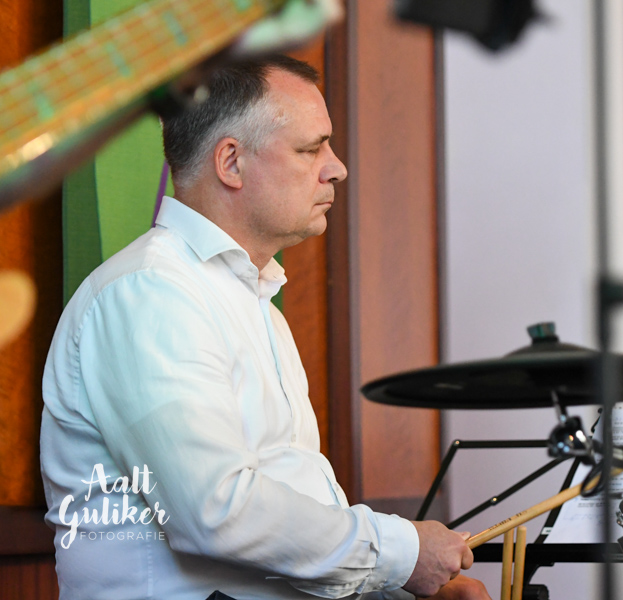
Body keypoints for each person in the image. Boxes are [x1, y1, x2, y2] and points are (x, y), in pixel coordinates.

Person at [41, 55, 490, 600]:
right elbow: (215, 512)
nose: (337, 168)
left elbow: (281, 538)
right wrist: (402, 554)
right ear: (231, 162)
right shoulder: (149, 293)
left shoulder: (258, 305)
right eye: (310, 149)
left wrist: (399, 592)